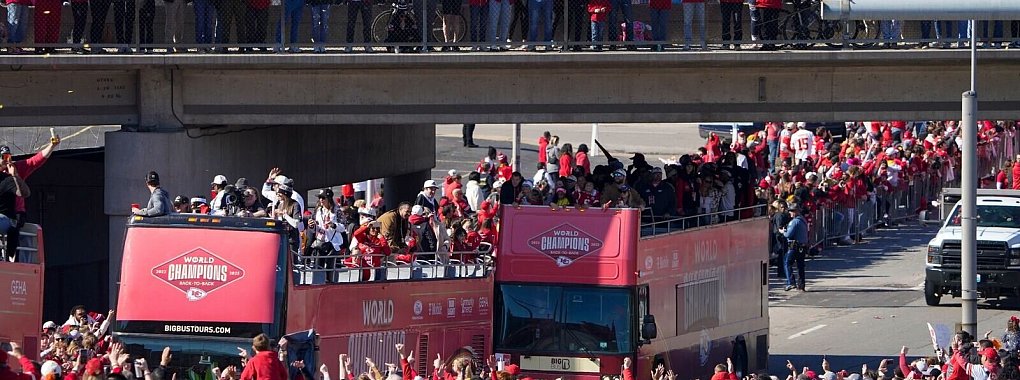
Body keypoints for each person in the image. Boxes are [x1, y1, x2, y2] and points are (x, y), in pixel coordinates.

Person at [781, 204, 808, 291]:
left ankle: (791, 282)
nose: (790, 213)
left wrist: (783, 232)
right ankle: (801, 285)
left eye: (792, 211)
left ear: (796, 211)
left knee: (787, 262)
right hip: (802, 246)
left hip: (794, 246)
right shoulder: (803, 220)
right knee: (800, 265)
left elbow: (788, 234)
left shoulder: (794, 222)